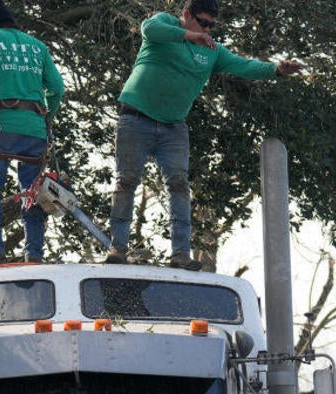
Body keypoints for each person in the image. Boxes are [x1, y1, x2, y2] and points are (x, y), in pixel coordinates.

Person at [105, 0, 302, 271]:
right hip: (136, 118)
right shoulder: (165, 25)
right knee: (126, 181)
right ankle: (118, 247)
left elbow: (243, 66)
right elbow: (149, 30)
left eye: (212, 25)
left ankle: (181, 254)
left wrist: (276, 70)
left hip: (173, 127)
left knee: (178, 185)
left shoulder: (212, 51)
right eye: (202, 22)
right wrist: (189, 35)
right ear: (186, 15)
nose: (207, 29)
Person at [0, 0, 64, 266]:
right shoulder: (37, 46)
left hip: (1, 126)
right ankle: (34, 255)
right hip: (35, 130)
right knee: (32, 192)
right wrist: (46, 119)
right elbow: (57, 88)